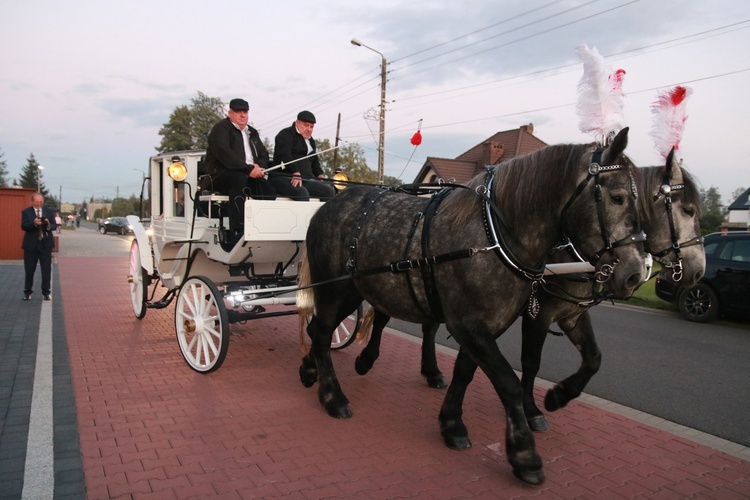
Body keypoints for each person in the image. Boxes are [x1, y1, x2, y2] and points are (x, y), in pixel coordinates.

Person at [204, 98, 276, 234]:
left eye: (245, 112)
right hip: (220, 175)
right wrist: (248, 169)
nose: (242, 115)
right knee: (239, 180)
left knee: (268, 189)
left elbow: (264, 155)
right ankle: (238, 229)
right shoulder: (220, 129)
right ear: (230, 113)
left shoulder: (252, 133)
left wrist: (258, 166)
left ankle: (263, 228)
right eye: (238, 112)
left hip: (248, 173)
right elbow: (224, 153)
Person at [269, 111, 335, 201]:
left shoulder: (311, 141)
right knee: (301, 193)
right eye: (306, 125)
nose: (309, 129)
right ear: (297, 123)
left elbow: (315, 161)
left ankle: (325, 215)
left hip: (305, 179)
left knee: (329, 191)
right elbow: (285, 155)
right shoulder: (285, 134)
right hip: (282, 177)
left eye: (311, 127)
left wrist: (320, 175)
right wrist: (295, 172)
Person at [21, 193, 57, 301]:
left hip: (45, 245)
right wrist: (34, 224)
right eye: (37, 201)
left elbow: (55, 225)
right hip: (31, 245)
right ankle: (27, 292)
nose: (39, 203)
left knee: (46, 270)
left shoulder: (49, 211)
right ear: (32, 201)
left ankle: (46, 292)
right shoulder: (26, 212)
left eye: (41, 201)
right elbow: (23, 226)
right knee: (29, 270)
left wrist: (49, 224)